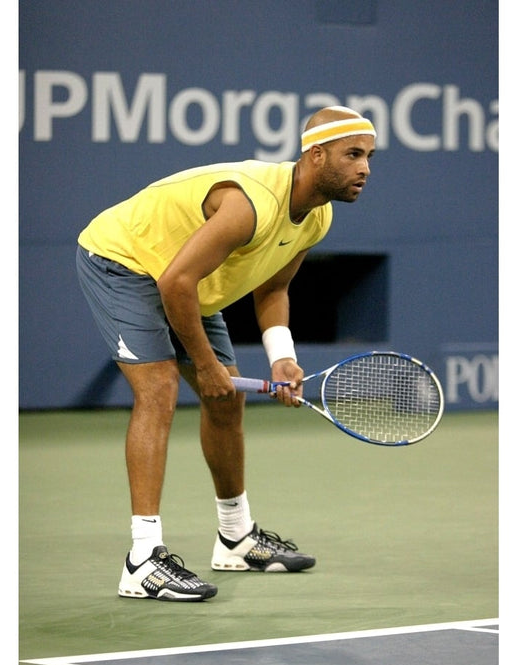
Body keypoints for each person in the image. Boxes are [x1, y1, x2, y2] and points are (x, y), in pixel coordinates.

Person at [76, 105, 376, 601]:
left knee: (224, 401)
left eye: (369, 156)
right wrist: (209, 365)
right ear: (316, 156)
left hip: (187, 280)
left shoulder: (316, 217)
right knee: (159, 390)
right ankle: (142, 560)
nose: (365, 168)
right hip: (125, 259)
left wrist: (282, 355)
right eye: (353, 154)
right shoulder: (249, 204)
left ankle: (235, 538)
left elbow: (273, 288)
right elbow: (175, 282)